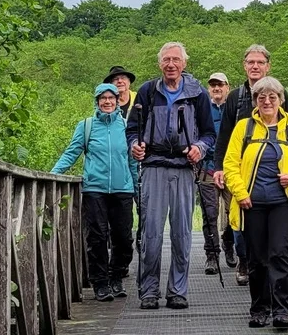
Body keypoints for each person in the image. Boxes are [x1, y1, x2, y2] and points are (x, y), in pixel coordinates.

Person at [127, 42, 216, 310]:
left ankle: (178, 291)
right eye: (166, 59)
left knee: (182, 233)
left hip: (183, 168)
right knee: (151, 231)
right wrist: (134, 145)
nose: (171, 64)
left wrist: (199, 149)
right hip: (153, 165)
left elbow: (209, 134)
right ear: (159, 64)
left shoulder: (197, 93)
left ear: (184, 64)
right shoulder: (147, 91)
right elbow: (132, 129)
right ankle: (149, 291)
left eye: (176, 59)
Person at [223, 76, 288, 329]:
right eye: (262, 97)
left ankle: (282, 311)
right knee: (257, 258)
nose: (267, 101)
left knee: (280, 254)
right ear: (255, 101)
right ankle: (259, 309)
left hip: (283, 202)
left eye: (272, 97)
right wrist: (240, 193)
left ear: (280, 100)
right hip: (251, 203)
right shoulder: (244, 127)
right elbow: (230, 164)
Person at [213, 44, 288, 285]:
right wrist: (219, 166)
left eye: (260, 62)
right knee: (241, 220)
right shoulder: (235, 97)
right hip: (241, 170)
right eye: (251, 62)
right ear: (244, 66)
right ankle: (246, 261)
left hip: (275, 172)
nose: (255, 66)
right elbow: (225, 133)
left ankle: (277, 269)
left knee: (277, 225)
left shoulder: (279, 93)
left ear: (267, 66)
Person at [50, 83, 138, 301]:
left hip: (122, 189)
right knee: (97, 238)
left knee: (124, 238)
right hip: (95, 189)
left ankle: (116, 277)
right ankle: (99, 283)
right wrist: (52, 174)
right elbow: (72, 153)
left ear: (118, 101)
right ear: (97, 101)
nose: (107, 102)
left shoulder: (127, 127)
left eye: (111, 98)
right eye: (103, 98)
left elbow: (133, 162)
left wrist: (138, 189)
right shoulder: (87, 126)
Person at [197, 72, 235, 274]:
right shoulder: (202, 109)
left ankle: (229, 241)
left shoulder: (234, 109)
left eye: (220, 84)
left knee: (235, 212)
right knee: (210, 214)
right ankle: (212, 255)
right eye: (213, 85)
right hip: (208, 167)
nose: (216, 88)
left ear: (227, 87)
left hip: (232, 168)